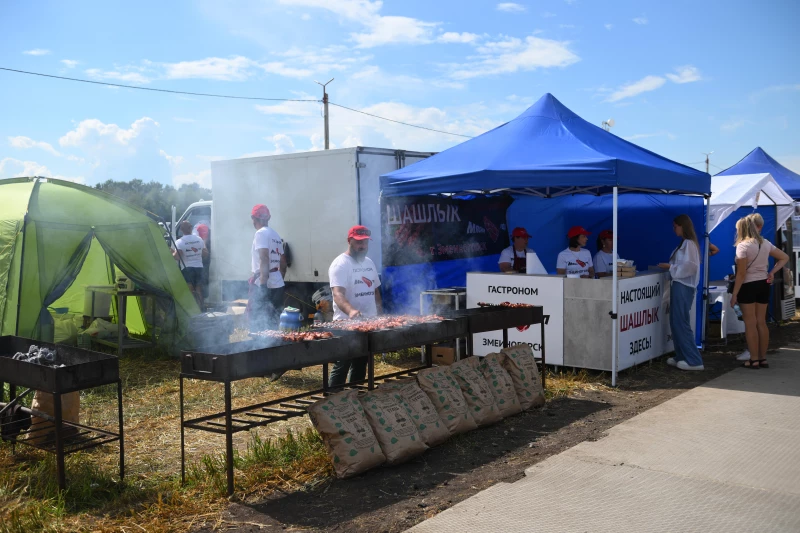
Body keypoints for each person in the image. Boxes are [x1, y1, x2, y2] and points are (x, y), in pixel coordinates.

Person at [730, 216, 788, 369]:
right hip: (763, 284)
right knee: (761, 322)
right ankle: (762, 358)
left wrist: (735, 294)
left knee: (750, 324)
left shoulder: (742, 246)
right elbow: (784, 257)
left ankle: (753, 359)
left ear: (742, 229)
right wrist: (772, 272)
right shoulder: (765, 243)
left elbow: (741, 274)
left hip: (747, 286)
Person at [328, 225, 383, 388]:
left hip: (368, 322)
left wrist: (380, 314)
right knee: (342, 363)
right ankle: (333, 398)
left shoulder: (369, 263)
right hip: (345, 324)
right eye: (359, 242)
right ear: (349, 241)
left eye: (365, 242)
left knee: (361, 362)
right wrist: (351, 311)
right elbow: (337, 294)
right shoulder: (340, 264)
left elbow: (375, 291)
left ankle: (355, 395)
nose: (363, 246)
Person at [658, 214, 704, 371]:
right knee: (676, 321)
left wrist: (670, 267)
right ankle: (682, 355)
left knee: (681, 322)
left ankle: (694, 359)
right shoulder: (686, 244)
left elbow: (690, 268)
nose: (674, 229)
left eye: (675, 226)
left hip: (683, 285)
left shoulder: (689, 244)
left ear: (682, 226)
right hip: (680, 284)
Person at [249, 204, 286, 332]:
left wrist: (263, 286)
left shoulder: (260, 233)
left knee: (258, 324)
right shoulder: (275, 234)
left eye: (253, 218)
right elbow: (283, 262)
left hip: (264, 284)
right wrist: (280, 279)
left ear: (255, 218)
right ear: (267, 218)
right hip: (278, 283)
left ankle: (258, 350)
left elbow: (264, 258)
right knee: (274, 323)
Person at [172, 220, 207, 309]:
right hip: (199, 267)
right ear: (191, 228)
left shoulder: (179, 242)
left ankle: (192, 310)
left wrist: (172, 253)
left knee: (190, 290)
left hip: (187, 268)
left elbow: (177, 257)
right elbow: (205, 253)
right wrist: (196, 255)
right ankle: (200, 308)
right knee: (198, 289)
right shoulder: (199, 239)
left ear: (181, 230)